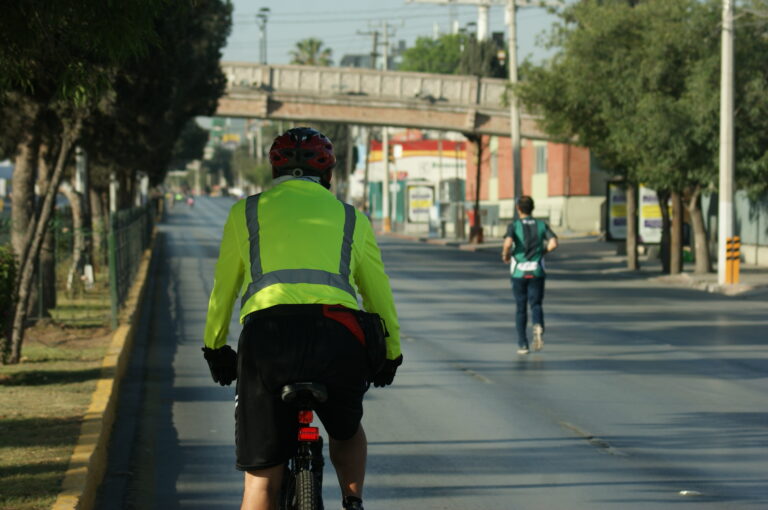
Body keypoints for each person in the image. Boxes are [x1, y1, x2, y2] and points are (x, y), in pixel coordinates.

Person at [202, 127, 403, 510]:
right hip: (338, 337)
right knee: (346, 431)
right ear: (328, 175)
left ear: (274, 172)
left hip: (267, 340)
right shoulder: (350, 217)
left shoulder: (243, 213)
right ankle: (353, 500)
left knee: (260, 481)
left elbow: (222, 290)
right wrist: (391, 351)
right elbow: (378, 292)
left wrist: (215, 348)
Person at [501, 196, 558, 355]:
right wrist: (542, 253)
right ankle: (538, 324)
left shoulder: (514, 226)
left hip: (519, 271)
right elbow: (553, 242)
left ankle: (522, 344)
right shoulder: (541, 225)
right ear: (532, 208)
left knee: (521, 307)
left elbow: (507, 243)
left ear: (518, 208)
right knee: (536, 304)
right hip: (537, 271)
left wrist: (506, 255)